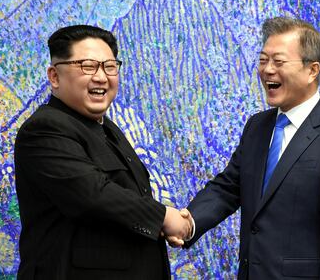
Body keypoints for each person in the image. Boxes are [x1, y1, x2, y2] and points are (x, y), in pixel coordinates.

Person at [171, 16, 320, 279]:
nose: (267, 70)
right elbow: (229, 187)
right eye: (263, 60)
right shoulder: (257, 127)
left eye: (278, 61)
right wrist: (188, 223)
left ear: (312, 70)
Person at [14, 24, 191, 280]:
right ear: (54, 76)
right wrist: (164, 218)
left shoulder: (107, 128)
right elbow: (92, 194)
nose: (101, 77)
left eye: (109, 67)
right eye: (87, 66)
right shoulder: (44, 129)